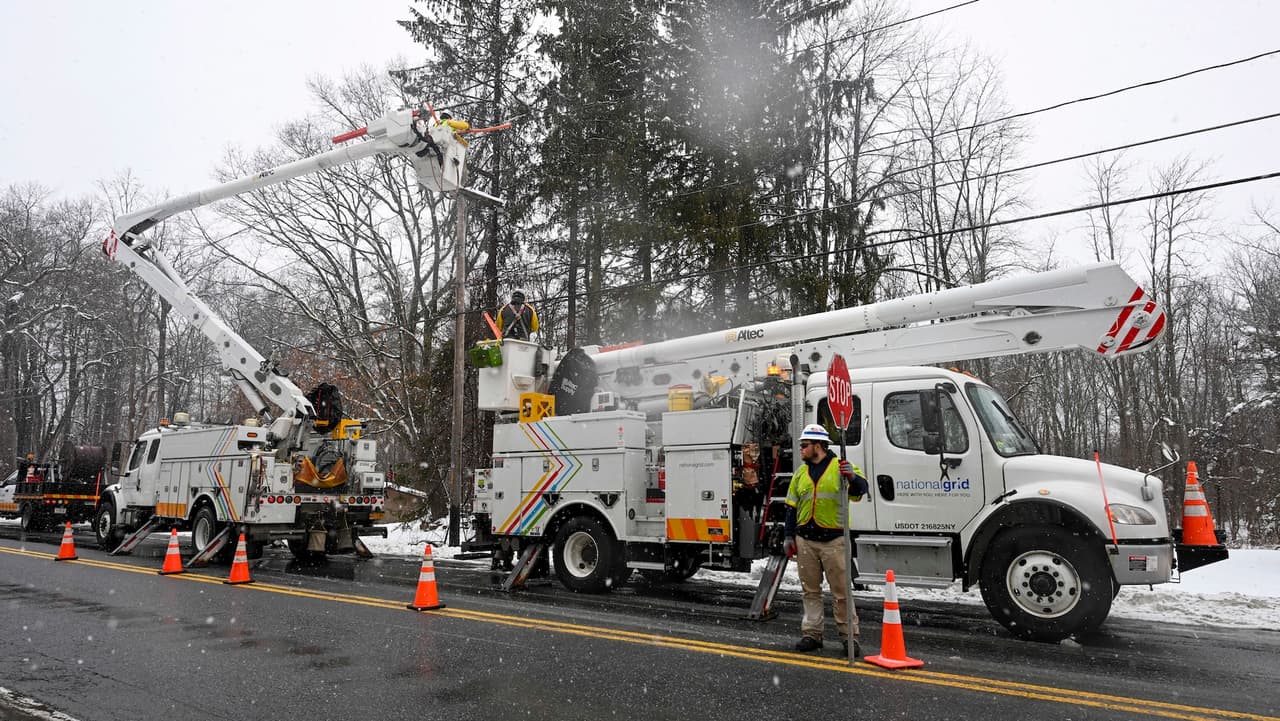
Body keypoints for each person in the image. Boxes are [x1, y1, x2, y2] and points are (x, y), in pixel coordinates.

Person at [783, 423, 869, 656]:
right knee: (810, 591)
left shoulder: (840, 467)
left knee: (841, 592)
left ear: (818, 446)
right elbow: (791, 507)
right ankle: (812, 634)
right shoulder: (801, 473)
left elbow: (862, 489)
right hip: (806, 541)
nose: (800, 449)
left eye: (804, 445)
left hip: (834, 540)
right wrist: (788, 536)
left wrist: (851, 476)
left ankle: (849, 636)